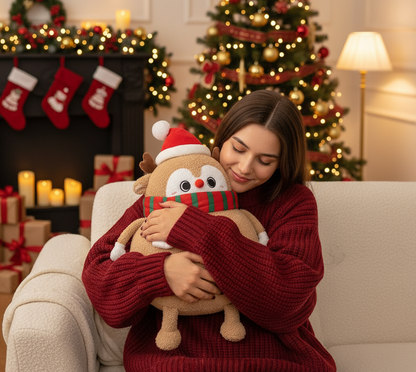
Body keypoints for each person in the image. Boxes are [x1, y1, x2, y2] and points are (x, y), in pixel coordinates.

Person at [82, 89, 336, 372]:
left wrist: (194, 228)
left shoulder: (293, 201)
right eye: (238, 149)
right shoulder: (169, 191)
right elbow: (100, 280)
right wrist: (161, 273)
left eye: (265, 161)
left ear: (281, 164)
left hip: (275, 361)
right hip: (174, 362)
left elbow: (287, 301)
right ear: (221, 141)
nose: (244, 167)